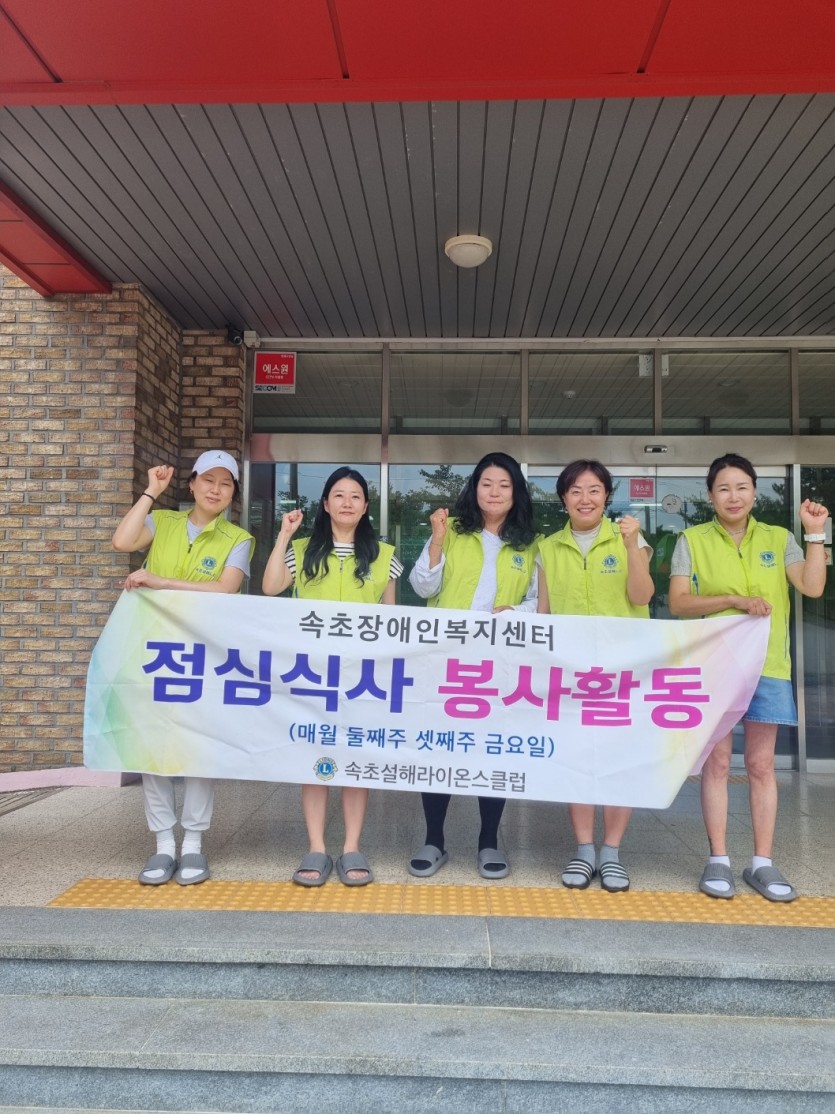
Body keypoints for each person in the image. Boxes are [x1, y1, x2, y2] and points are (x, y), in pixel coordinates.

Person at [668, 453, 828, 903]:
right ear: (710, 495)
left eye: (741, 487)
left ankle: (761, 862)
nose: (733, 496)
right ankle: (718, 858)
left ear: (755, 493)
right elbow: (679, 602)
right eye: (723, 488)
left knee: (760, 765)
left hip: (768, 667)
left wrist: (815, 533)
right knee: (717, 764)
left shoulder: (779, 538)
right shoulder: (691, 539)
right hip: (714, 667)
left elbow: (812, 586)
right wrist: (734, 600)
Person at [111, 449, 255, 886]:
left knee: (198, 747)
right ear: (191, 484)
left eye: (226, 484)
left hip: (204, 656)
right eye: (208, 480)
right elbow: (122, 542)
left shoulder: (238, 538)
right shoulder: (163, 522)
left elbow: (224, 589)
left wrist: (160, 582)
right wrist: (150, 493)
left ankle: (192, 843)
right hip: (153, 651)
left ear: (232, 493)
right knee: (151, 745)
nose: (216, 489)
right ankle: (162, 845)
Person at [262, 467, 403, 887]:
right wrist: (284, 535)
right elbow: (270, 588)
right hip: (313, 675)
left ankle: (352, 846)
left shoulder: (385, 555)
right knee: (315, 757)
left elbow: (391, 616)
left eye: (355, 496)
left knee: (356, 758)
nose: (347, 502)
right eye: (338, 495)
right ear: (325, 504)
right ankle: (317, 847)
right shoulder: (302, 549)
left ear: (365, 506)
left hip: (362, 677)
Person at [408, 452, 540, 880]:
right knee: (439, 746)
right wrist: (436, 540)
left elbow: (541, 601)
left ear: (516, 492)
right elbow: (421, 586)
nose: (495, 492)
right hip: (446, 659)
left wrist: (517, 612)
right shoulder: (453, 532)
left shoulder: (530, 543)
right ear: (474, 488)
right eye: (487, 483)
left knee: (492, 749)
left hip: (500, 662)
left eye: (504, 485)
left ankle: (488, 842)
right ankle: (434, 839)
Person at [537, 460, 654, 893]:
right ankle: (584, 850)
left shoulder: (630, 537)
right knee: (579, 760)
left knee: (619, 761)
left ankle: (612, 852)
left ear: (606, 495)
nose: (584, 499)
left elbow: (642, 595)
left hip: (624, 670)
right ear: (563, 498)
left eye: (594, 490)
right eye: (575, 491)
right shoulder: (548, 548)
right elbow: (543, 612)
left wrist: (631, 546)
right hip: (572, 671)